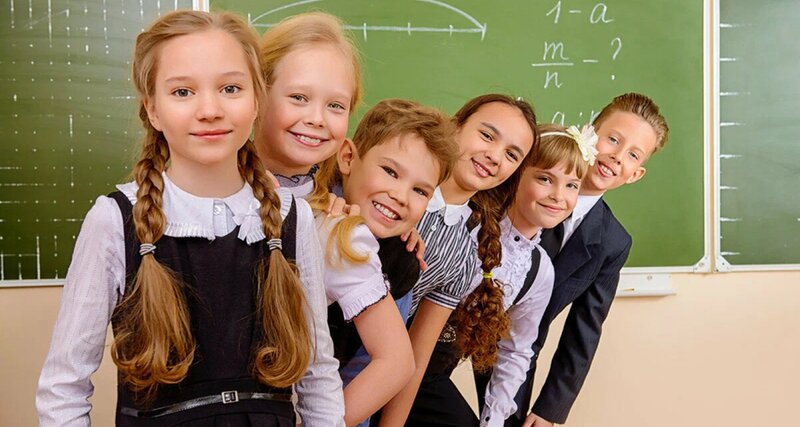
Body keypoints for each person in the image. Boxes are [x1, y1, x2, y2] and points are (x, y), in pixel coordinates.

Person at [35, 10, 343, 426]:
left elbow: (318, 376)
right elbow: (63, 389)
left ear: (257, 100)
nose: (210, 109)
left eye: (230, 88)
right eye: (182, 92)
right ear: (153, 110)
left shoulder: (293, 218)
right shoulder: (114, 219)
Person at [409, 124, 595, 426]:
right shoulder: (466, 221)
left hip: (432, 377)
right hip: (392, 355)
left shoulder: (539, 270)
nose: (558, 196)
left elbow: (516, 351)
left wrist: (493, 420)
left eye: (572, 185)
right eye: (545, 179)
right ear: (516, 176)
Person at [507, 93, 670, 427]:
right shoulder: (523, 174)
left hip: (517, 355)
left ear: (635, 174)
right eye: (613, 139)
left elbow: (585, 329)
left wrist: (550, 409)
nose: (616, 156)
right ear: (589, 133)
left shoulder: (613, 242)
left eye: (632, 155)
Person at [377, 94, 538, 426]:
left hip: (368, 371)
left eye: (511, 155)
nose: (495, 156)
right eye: (487, 135)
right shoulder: (387, 188)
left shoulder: (464, 255)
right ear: (455, 126)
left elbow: (416, 357)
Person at [309, 98, 460, 426]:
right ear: (348, 157)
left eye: (420, 191)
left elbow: (368, 366)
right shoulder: (307, 206)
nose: (400, 196)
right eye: (390, 172)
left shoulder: (403, 261)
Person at [254, 11, 361, 200]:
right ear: (258, 94)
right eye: (299, 97)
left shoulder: (340, 207)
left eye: (335, 105)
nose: (317, 119)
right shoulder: (213, 188)